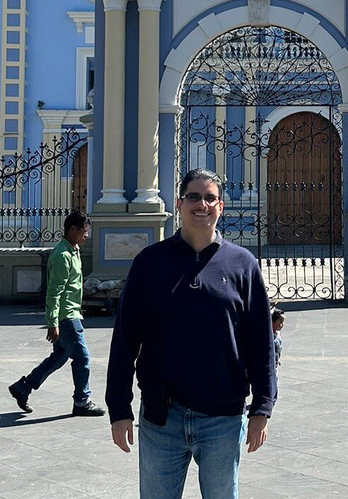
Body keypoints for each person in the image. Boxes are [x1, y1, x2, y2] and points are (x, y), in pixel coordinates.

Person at [106, 169, 277, 499]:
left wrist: (262, 408)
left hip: (222, 418)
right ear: (180, 203)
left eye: (210, 198)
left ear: (221, 206)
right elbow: (126, 340)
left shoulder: (243, 264)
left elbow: (261, 341)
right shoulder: (150, 263)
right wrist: (119, 408)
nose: (203, 204)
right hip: (161, 418)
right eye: (194, 197)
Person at [8, 210, 105, 417]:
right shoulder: (62, 255)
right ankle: (82, 400)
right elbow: (54, 292)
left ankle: (23, 387)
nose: (86, 235)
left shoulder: (73, 250)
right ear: (73, 229)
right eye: (84, 231)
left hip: (72, 313)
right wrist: (53, 322)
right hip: (66, 317)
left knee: (59, 357)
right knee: (82, 357)